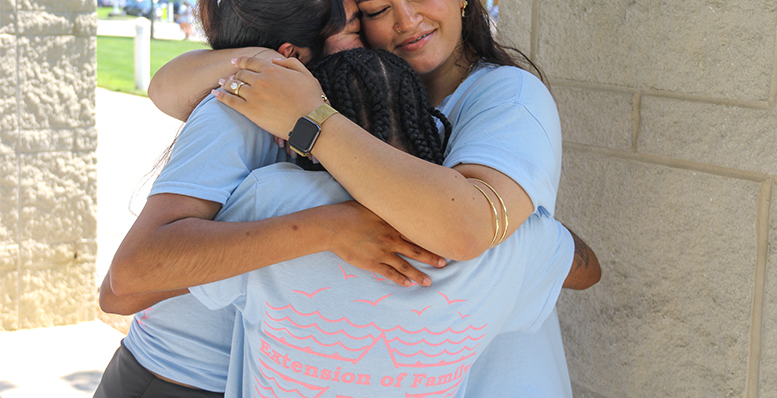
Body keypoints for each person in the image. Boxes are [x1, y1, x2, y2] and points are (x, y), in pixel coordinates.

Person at [142, 0, 602, 394]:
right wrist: (274, 67)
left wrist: (309, 123)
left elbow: (467, 226)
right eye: (375, 10)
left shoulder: (507, 96)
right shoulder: (344, 86)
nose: (405, 20)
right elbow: (165, 87)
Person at [96, 0, 444, 398]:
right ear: (287, 55)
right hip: (176, 382)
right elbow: (125, 284)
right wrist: (325, 231)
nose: (372, 39)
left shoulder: (339, 113)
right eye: (355, 27)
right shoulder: (236, 118)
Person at [190, 48, 574, 396]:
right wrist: (525, 223)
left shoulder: (268, 200)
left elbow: (173, 271)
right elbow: (585, 269)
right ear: (434, 126)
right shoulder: (506, 248)